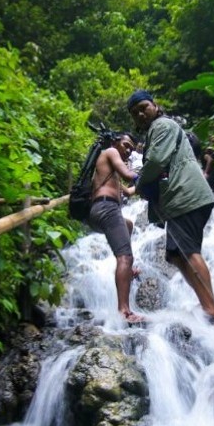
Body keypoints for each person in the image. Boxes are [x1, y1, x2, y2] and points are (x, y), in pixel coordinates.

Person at [127, 89, 214, 323]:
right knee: (175, 255)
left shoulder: (162, 126)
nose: (140, 114)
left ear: (155, 105)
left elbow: (157, 161)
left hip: (186, 197)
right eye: (135, 112)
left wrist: (137, 183)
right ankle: (209, 304)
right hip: (185, 198)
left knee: (188, 251)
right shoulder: (157, 131)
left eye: (143, 107)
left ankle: (212, 310)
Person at [85, 131, 146, 324]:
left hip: (98, 211)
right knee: (125, 256)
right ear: (115, 142)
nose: (128, 150)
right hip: (107, 207)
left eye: (131, 147)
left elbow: (129, 190)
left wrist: (147, 184)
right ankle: (124, 311)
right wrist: (146, 175)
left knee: (128, 224)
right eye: (126, 145)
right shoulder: (111, 152)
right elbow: (128, 175)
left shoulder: (109, 171)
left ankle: (127, 268)